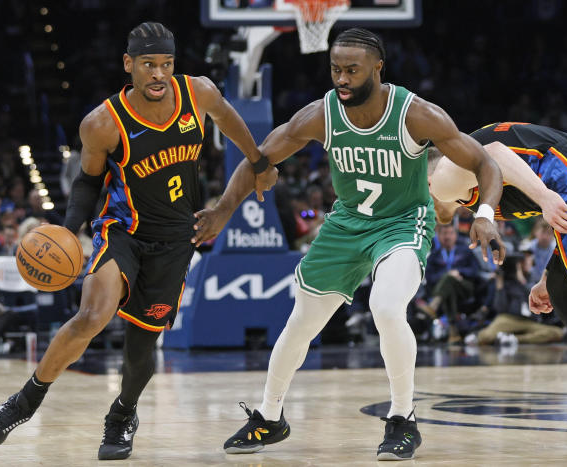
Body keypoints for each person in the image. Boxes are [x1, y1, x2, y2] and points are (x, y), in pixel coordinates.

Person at [192, 28, 505, 460]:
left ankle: (402, 418)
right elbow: (260, 158)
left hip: (402, 223)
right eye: (336, 69)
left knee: (386, 307)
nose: (341, 78)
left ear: (377, 68)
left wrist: (485, 215)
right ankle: (269, 417)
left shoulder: (415, 114)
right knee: (301, 322)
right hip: (346, 225)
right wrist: (224, 209)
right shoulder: (320, 115)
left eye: (352, 70)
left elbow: (486, 163)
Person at [0, 22, 276, 461]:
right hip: (124, 231)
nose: (158, 74)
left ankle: (122, 415)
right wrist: (68, 227)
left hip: (176, 239)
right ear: (128, 65)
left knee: (141, 348)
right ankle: (23, 403)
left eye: (166, 65)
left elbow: (231, 122)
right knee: (92, 316)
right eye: (149, 65)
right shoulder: (103, 123)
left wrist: (259, 161)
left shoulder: (199, 93)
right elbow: (86, 182)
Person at [427, 121, 567, 443]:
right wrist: (547, 272)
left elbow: (496, 153)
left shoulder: (443, 178)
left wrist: (495, 212)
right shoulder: (462, 187)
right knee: (561, 289)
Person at [421, 223, 481, 343]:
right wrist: (447, 274)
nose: (447, 237)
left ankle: (434, 304)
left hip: (464, 287)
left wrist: (459, 272)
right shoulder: (434, 256)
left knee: (450, 280)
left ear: (455, 235)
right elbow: (429, 277)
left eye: (450, 233)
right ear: (438, 236)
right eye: (444, 234)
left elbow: (475, 271)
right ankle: (453, 332)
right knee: (449, 284)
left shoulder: (465, 251)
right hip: (446, 290)